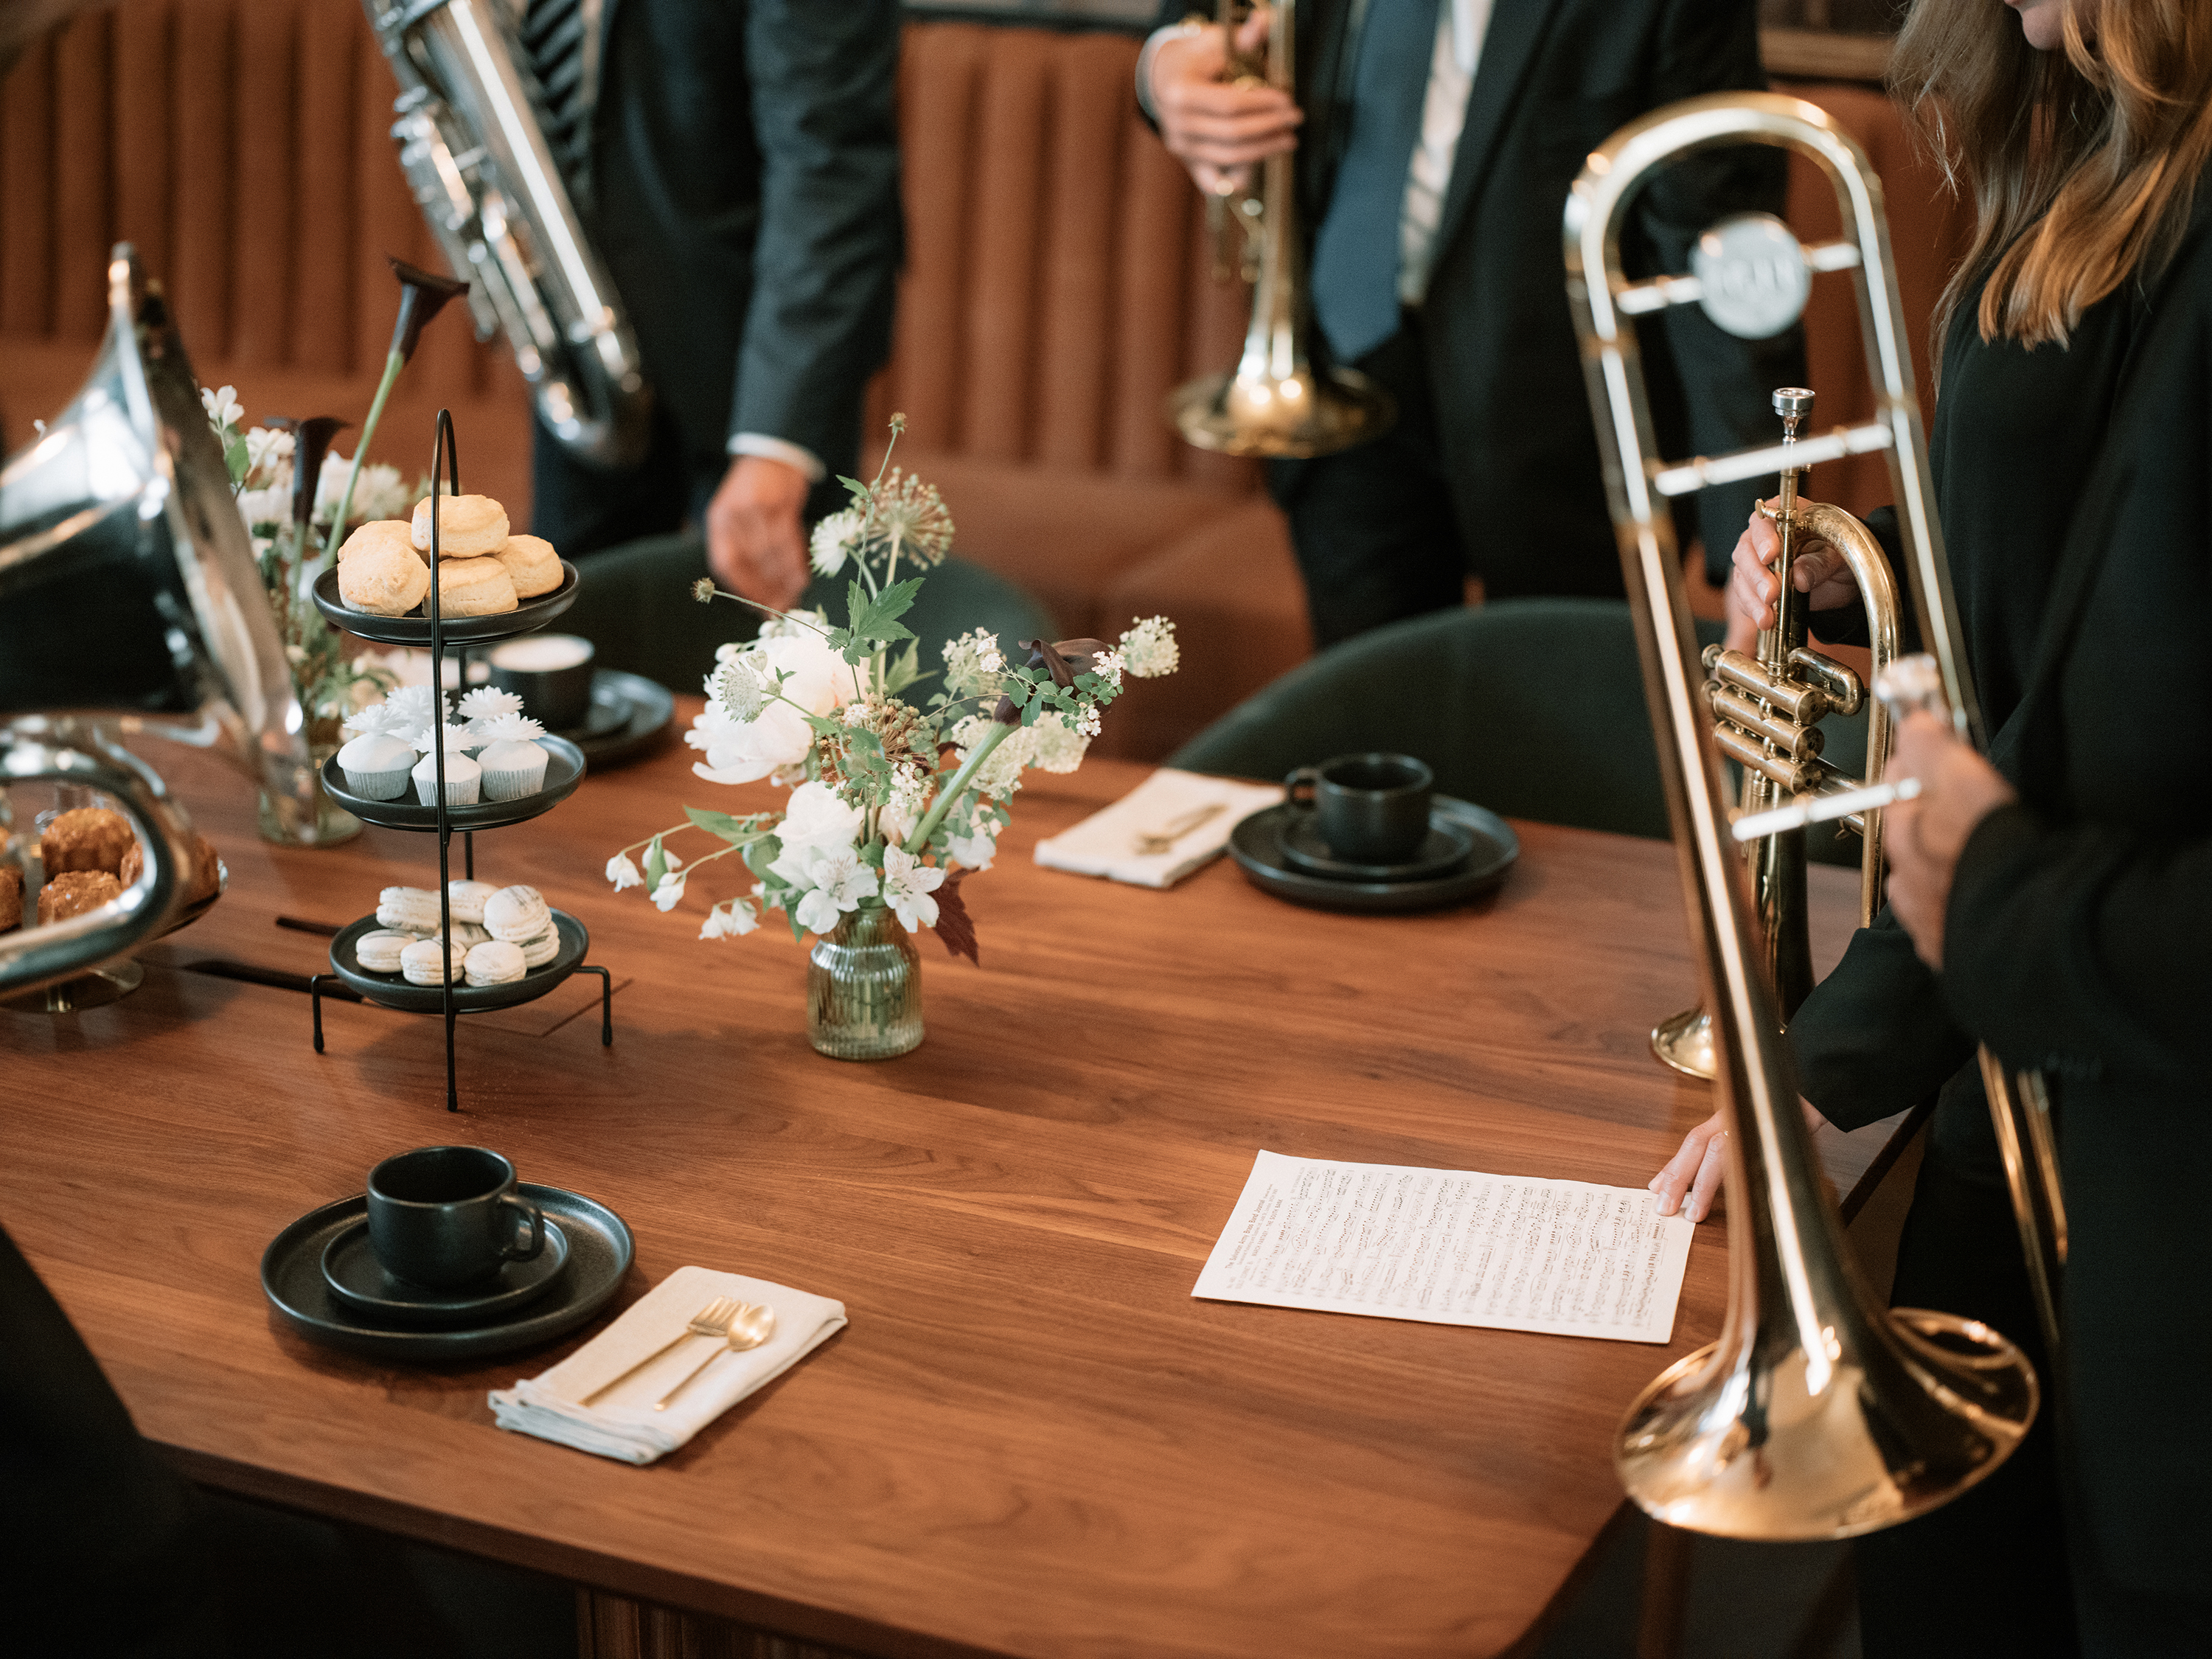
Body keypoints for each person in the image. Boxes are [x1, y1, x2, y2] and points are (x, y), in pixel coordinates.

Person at [1649, 0, 2212, 1650]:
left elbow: (2069, 725)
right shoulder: (2096, 121)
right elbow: (2081, 594)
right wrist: (1866, 557)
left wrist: (1867, 1023)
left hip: (2136, 1136)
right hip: (2019, 1067)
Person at [1140, 0, 1801, 649]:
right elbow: (1200, 17)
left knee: (1561, 737)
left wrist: (1757, 538)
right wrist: (1164, 69)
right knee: (1369, 730)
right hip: (1336, 376)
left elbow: (1719, 245)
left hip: (1566, 433)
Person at [521, 0, 902, 611]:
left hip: (757, 360)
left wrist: (774, 442)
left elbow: (829, 168)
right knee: (563, 655)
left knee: (789, 676)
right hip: (577, 331)